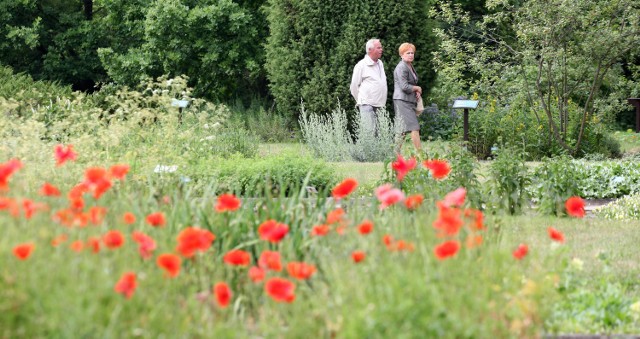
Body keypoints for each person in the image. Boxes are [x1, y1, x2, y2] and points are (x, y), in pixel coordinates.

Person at [350, 39, 387, 134]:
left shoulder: (380, 63)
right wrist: (361, 100)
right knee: (369, 133)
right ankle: (364, 149)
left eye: (381, 47)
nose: (381, 50)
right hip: (366, 104)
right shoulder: (361, 65)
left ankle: (377, 149)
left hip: (379, 104)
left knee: (378, 133)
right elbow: (354, 86)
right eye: (378, 48)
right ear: (370, 50)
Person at [393, 42, 422, 153]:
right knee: (414, 127)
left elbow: (410, 84)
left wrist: (416, 92)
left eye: (412, 53)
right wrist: (417, 88)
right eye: (408, 53)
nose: (411, 55)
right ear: (401, 54)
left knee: (402, 130)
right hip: (402, 101)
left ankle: (395, 154)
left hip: (407, 100)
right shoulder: (401, 67)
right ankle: (421, 154)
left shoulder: (409, 65)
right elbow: (404, 86)